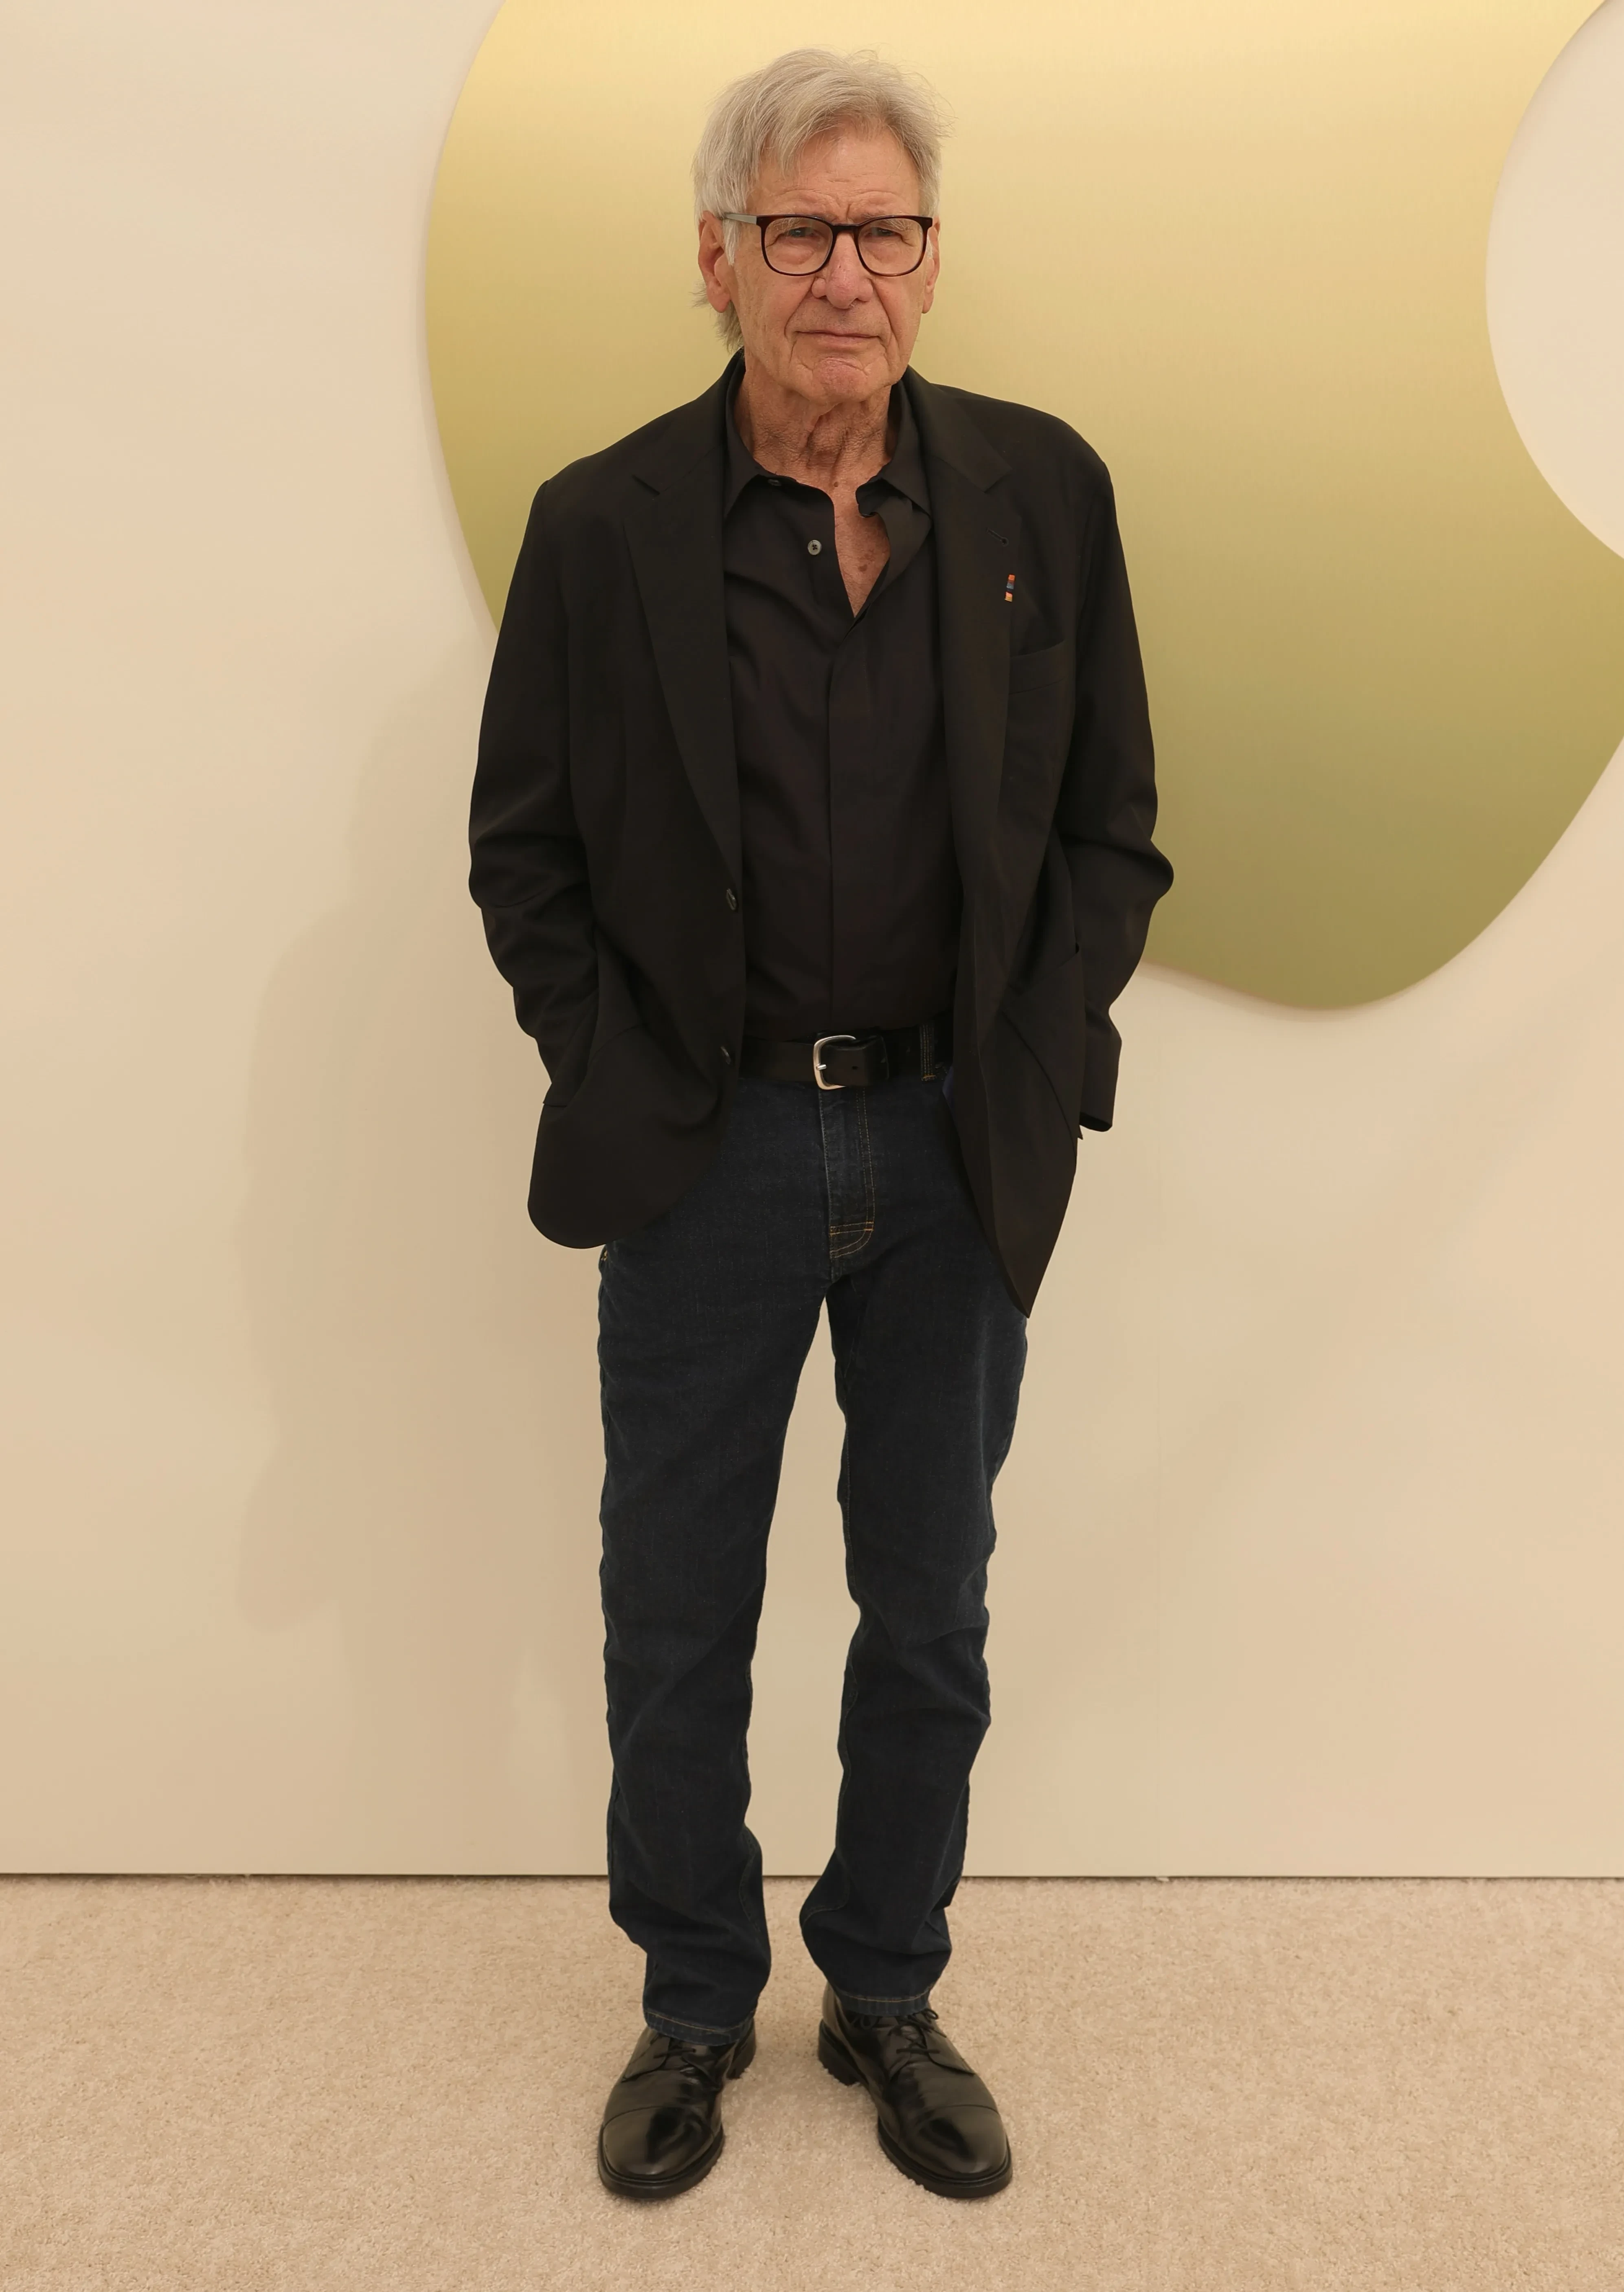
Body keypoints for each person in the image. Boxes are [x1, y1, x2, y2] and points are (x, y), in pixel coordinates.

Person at [470, 46, 1172, 2202]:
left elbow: (1111, 829)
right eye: (801, 230)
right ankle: (695, 1999)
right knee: (677, 1606)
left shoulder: (1045, 497)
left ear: (930, 263)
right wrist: (616, 1066)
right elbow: (526, 851)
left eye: (884, 230)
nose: (845, 272)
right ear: (720, 260)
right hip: (712, 1154)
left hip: (956, 1145)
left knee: (929, 1600)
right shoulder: (601, 526)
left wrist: (1039, 1050)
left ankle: (884, 1984)